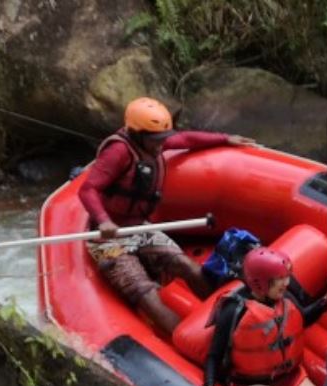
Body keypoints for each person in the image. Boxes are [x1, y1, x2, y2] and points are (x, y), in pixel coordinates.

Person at [79, 96, 255, 333]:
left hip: (139, 227)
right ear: (138, 134)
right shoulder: (118, 151)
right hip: (108, 238)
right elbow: (88, 189)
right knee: (146, 293)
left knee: (185, 265)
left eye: (163, 138)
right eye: (156, 140)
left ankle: (232, 318)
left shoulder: (153, 141)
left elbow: (185, 139)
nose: (162, 144)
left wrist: (225, 139)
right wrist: (103, 220)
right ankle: (187, 342)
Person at [196, 247, 327, 386]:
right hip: (249, 384)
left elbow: (302, 320)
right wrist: (208, 385)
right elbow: (214, 354)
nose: (286, 283)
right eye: (279, 279)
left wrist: (325, 303)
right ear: (260, 283)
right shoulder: (234, 310)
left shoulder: (285, 298)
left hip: (288, 377)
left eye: (286, 277)